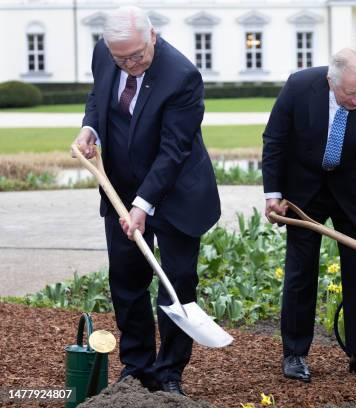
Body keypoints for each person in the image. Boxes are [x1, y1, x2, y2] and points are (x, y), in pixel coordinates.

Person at [73, 6, 220, 396]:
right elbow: (97, 95)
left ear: (152, 36)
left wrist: (144, 203)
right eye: (122, 58)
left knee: (176, 285)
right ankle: (136, 366)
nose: (130, 64)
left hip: (176, 195)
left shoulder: (182, 75)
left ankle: (170, 372)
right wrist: (89, 128)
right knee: (127, 280)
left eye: (137, 55)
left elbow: (173, 151)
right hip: (119, 186)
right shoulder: (106, 54)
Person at [262, 48, 356, 382]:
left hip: (352, 191)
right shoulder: (298, 86)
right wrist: (274, 195)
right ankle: (294, 353)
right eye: (350, 93)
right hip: (304, 191)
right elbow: (275, 139)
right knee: (300, 270)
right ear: (330, 81)